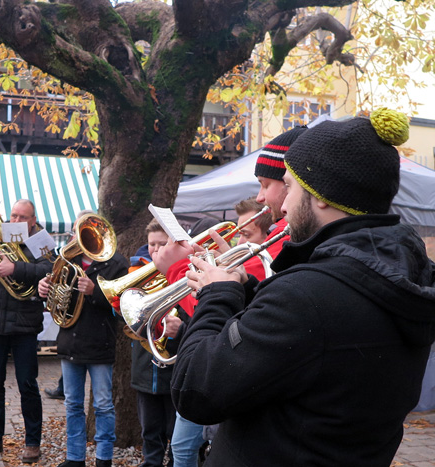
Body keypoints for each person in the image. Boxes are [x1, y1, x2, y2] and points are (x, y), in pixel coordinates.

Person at [172, 109, 435, 466]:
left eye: (290, 186)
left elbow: (194, 391)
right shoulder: (402, 279)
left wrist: (216, 296)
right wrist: (245, 289)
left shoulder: (305, 296)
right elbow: (312, 353)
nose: (283, 205)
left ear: (321, 195)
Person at [153, 129, 306, 467]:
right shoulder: (283, 244)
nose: (261, 197)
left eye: (267, 184)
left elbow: (225, 315)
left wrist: (176, 271)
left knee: (184, 448)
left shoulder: (286, 246)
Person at [38, 211, 129, 467]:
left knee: (103, 405)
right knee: (72, 405)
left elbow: (123, 305)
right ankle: (75, 458)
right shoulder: (67, 259)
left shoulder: (117, 262)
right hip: (71, 341)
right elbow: (56, 297)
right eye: (77, 231)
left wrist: (94, 291)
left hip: (100, 342)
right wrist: (44, 289)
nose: (78, 237)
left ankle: (104, 459)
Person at [0, 199, 53, 464]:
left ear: (33, 220)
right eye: (13, 215)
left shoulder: (41, 240)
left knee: (27, 384)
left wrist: (15, 267)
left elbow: (50, 270)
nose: (15, 220)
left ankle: (32, 442)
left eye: (22, 217)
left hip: (25, 323)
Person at [130, 219, 181, 467]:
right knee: (149, 428)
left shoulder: (184, 272)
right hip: (145, 364)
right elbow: (124, 315)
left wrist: (180, 327)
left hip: (175, 365)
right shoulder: (137, 272)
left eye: (163, 243)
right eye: (152, 244)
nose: (156, 249)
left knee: (175, 430)